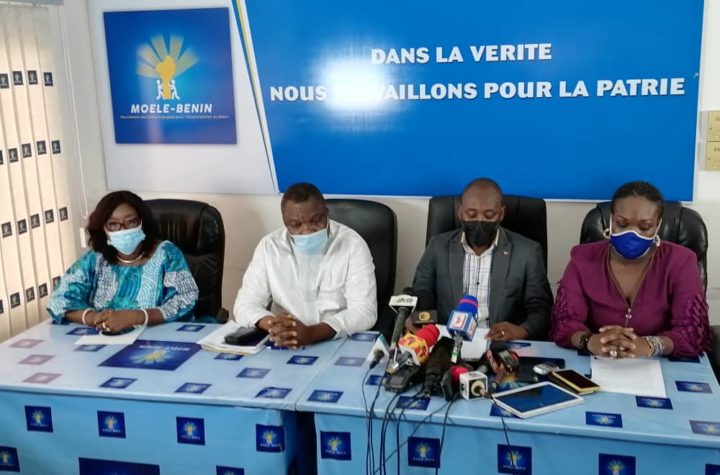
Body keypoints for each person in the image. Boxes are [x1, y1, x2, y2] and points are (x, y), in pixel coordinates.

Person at [551, 181, 710, 358]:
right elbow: (564, 323)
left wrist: (650, 345)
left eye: (644, 227)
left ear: (658, 225)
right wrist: (589, 341)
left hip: (659, 363)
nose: (632, 233)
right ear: (611, 220)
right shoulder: (582, 258)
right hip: (598, 361)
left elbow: (692, 332)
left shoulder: (681, 261)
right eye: (621, 223)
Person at [233, 182, 377, 348]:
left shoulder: (352, 245)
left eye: (316, 221)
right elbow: (245, 304)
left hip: (337, 340)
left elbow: (364, 311)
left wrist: (311, 333)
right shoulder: (269, 247)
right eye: (296, 225)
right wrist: (275, 325)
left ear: (327, 214)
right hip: (284, 341)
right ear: (285, 222)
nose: (307, 231)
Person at [410, 178, 552, 340]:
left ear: (501, 214)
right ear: (460, 212)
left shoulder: (527, 252)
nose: (479, 221)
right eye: (471, 214)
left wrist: (522, 330)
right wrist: (414, 318)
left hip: (501, 342)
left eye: (489, 215)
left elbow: (542, 309)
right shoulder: (438, 246)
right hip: (448, 341)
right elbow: (421, 296)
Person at [48, 191, 198, 333]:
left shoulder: (166, 254)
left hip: (157, 339)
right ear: (103, 229)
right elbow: (58, 298)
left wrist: (137, 317)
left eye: (130, 222)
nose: (123, 230)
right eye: (113, 224)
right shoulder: (96, 259)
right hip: (104, 338)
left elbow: (186, 298)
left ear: (142, 222)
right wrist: (92, 318)